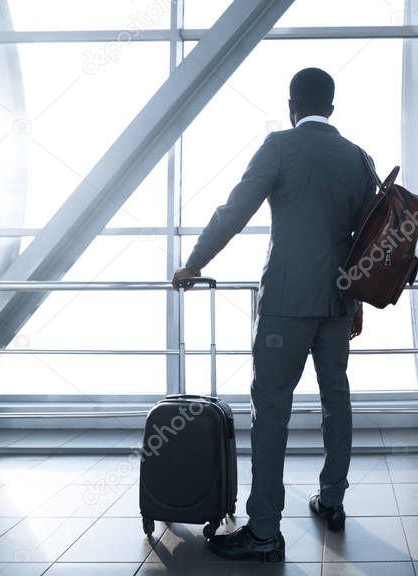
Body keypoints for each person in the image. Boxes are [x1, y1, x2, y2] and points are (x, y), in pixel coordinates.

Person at [171, 67, 374, 562]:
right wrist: (358, 302)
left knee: (271, 413)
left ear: (292, 105)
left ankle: (264, 531)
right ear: (331, 107)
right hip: (339, 302)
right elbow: (368, 237)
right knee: (336, 401)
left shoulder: (280, 146)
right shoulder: (359, 158)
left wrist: (195, 262)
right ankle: (332, 501)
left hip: (287, 305)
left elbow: (234, 211)